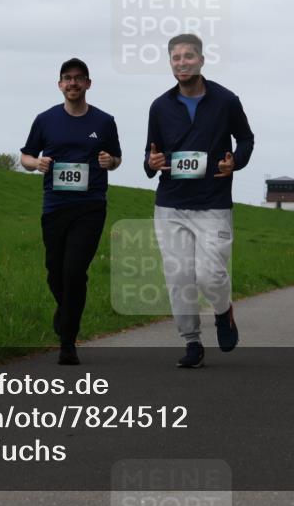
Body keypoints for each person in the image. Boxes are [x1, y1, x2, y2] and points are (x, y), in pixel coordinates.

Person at [145, 34, 254, 368]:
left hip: (213, 204)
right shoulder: (160, 106)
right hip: (171, 204)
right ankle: (191, 342)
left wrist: (235, 160)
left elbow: (246, 139)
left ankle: (224, 312)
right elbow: (151, 156)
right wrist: (152, 164)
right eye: (176, 58)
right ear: (170, 63)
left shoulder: (225, 100)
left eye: (188, 56)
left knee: (210, 276)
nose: (182, 62)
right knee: (179, 277)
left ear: (202, 60)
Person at [20, 58, 122, 365]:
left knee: (74, 271)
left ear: (88, 84)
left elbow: (116, 158)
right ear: (60, 84)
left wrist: (109, 162)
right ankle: (65, 312)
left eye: (79, 78)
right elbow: (26, 156)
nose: (73, 83)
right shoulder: (45, 119)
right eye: (67, 78)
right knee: (54, 271)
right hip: (55, 206)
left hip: (90, 206)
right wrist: (35, 164)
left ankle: (68, 339)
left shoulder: (104, 121)